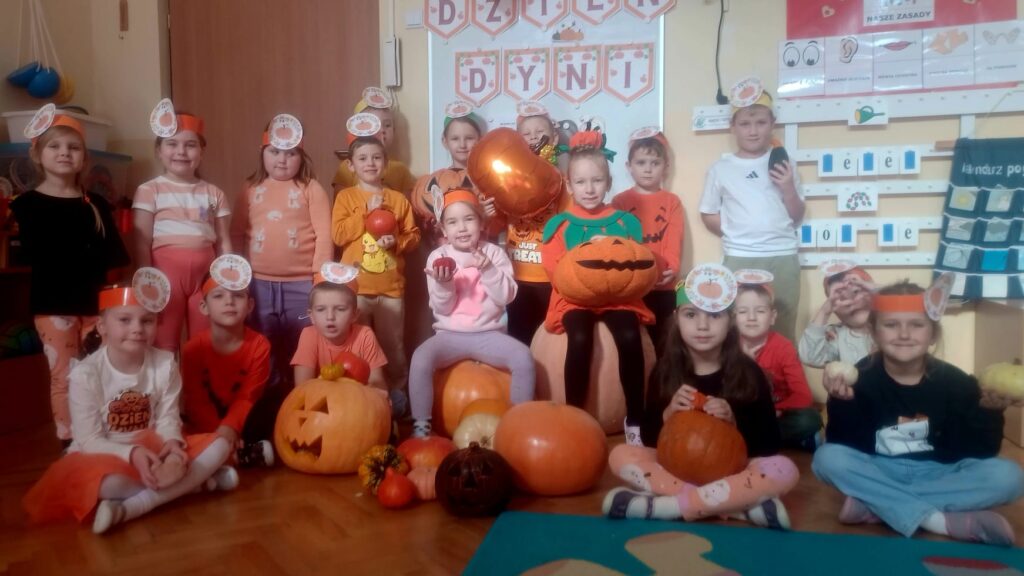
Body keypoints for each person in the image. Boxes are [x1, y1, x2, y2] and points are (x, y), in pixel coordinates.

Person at [813, 279, 1024, 547]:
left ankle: (878, 505)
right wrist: (842, 402)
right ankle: (939, 521)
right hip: (881, 469)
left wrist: (988, 413)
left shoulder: (958, 383)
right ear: (874, 333)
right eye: (891, 325)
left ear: (933, 334)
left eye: (917, 325)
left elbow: (980, 451)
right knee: (827, 458)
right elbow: (846, 444)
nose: (904, 334)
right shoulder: (860, 378)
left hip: (941, 472)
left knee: (1009, 477)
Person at [22, 270, 236, 535]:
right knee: (106, 485)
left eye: (147, 320)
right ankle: (192, 486)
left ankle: (135, 503)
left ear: (157, 324)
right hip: (105, 454)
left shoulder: (165, 364)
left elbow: (168, 418)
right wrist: (132, 454)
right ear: (102, 326)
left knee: (221, 445)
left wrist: (171, 448)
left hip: (156, 449)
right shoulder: (85, 375)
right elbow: (89, 440)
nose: (137, 329)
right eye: (125, 320)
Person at [603, 265, 799, 530]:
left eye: (715, 315)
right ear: (677, 318)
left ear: (730, 320)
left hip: (734, 470)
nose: (703, 325)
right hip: (677, 469)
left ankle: (668, 506)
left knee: (783, 469)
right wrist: (667, 414)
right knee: (620, 454)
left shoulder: (749, 373)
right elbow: (649, 440)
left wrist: (733, 422)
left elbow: (770, 445)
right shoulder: (664, 371)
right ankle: (737, 506)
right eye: (691, 314)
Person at [10, 105, 130, 443]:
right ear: (37, 154)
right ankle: (70, 441)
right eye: (55, 146)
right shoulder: (25, 205)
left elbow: (114, 259)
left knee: (102, 372)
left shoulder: (97, 205)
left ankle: (104, 436)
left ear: (84, 158)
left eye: (73, 147)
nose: (64, 153)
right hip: (53, 307)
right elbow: (31, 254)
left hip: (96, 307)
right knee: (64, 376)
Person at [540, 127, 652, 445]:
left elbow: (636, 262)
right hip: (575, 299)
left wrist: (613, 250)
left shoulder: (624, 223)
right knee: (579, 338)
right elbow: (555, 268)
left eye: (597, 180)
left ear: (609, 182)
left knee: (629, 335)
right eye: (581, 182)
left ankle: (635, 418)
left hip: (618, 297)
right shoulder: (560, 225)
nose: (589, 189)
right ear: (569, 185)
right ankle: (574, 417)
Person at [408, 190, 535, 437]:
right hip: (449, 336)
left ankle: (518, 424)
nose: (462, 227)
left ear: (481, 223)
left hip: (490, 335)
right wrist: (444, 284)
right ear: (444, 230)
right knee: (420, 358)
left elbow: (506, 297)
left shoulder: (494, 254)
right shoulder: (438, 257)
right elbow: (442, 308)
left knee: (524, 358)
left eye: (469, 219)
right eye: (453, 222)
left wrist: (487, 269)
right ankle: (421, 427)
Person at [230, 114, 331, 394]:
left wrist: (319, 279)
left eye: (291, 153)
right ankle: (270, 399)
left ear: (302, 155)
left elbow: (324, 235)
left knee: (302, 344)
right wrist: (238, 279)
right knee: (263, 343)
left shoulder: (312, 189)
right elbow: (236, 234)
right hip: (258, 284)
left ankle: (302, 396)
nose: (282, 159)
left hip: (302, 285)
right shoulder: (249, 189)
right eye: (274, 151)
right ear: (262, 152)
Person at [699, 77, 804, 341]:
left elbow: (796, 216)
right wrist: (735, 231)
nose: (753, 131)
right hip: (739, 255)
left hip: (782, 255)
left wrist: (787, 187)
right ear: (733, 126)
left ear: (772, 123)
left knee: (782, 325)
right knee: (736, 329)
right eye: (745, 123)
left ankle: (780, 370)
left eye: (761, 122)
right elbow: (708, 213)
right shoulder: (721, 169)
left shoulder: (785, 163)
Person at [331, 114, 420, 415]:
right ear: (351, 165)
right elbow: (338, 235)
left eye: (377, 158)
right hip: (355, 288)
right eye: (363, 158)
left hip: (390, 289)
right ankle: (356, 397)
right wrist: (364, 214)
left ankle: (397, 398)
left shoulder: (398, 200)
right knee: (355, 344)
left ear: (386, 163)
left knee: (392, 346)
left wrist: (397, 242)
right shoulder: (346, 198)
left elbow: (413, 236)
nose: (370, 163)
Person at [133, 99, 231, 351]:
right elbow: (141, 240)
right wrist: (146, 277)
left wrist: (226, 278)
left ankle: (198, 378)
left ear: (201, 152)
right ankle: (168, 380)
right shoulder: (149, 190)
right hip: (164, 277)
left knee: (204, 342)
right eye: (172, 144)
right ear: (159, 150)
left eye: (190, 145)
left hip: (206, 276)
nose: (181, 151)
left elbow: (223, 240)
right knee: (164, 341)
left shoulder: (214, 193)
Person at [180, 255, 274, 466]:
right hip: (205, 423)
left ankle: (223, 458)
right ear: (204, 307)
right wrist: (219, 436)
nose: (229, 301)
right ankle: (234, 457)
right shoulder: (192, 349)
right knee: (180, 430)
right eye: (218, 296)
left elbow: (248, 395)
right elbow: (196, 400)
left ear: (250, 305)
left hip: (243, 419)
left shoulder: (260, 345)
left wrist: (230, 428)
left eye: (238, 295)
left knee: (273, 408)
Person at [612, 128, 684, 354]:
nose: (648, 169)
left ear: (665, 166)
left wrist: (672, 267)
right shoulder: (620, 202)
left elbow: (674, 237)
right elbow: (619, 242)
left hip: (663, 285)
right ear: (629, 166)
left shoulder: (672, 201)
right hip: (632, 285)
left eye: (655, 163)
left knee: (664, 343)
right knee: (634, 345)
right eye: (641, 162)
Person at [732, 270, 821, 451]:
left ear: (772, 317)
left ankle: (752, 439)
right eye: (743, 311)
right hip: (743, 412)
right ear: (734, 317)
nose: (751, 317)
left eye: (760, 311)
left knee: (810, 419)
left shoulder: (784, 347)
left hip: (778, 412)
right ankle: (780, 440)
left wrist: (776, 409)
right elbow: (727, 393)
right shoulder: (729, 346)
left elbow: (803, 396)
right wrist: (746, 365)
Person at [506, 101, 571, 346]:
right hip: (517, 277)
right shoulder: (508, 180)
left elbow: (569, 223)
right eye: (526, 133)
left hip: (550, 279)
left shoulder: (563, 182)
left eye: (540, 132)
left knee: (550, 345)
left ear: (554, 138)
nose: (533, 137)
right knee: (518, 342)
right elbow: (495, 225)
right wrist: (487, 211)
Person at [291, 264, 388, 391]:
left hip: (357, 397)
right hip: (320, 398)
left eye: (340, 309)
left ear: (354, 315)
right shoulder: (308, 335)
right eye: (321, 309)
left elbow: (377, 384)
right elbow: (302, 388)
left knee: (393, 399)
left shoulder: (365, 335)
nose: (330, 317)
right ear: (312, 316)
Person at [332, 87, 416, 196]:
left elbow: (406, 204)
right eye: (375, 125)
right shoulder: (347, 168)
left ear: (394, 130)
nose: (382, 130)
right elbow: (339, 202)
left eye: (387, 125)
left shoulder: (401, 170)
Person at [798, 261, 875, 366]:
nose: (852, 302)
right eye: (841, 298)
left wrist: (881, 293)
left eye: (856, 291)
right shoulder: (836, 336)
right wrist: (824, 312)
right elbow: (809, 357)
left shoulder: (892, 324)